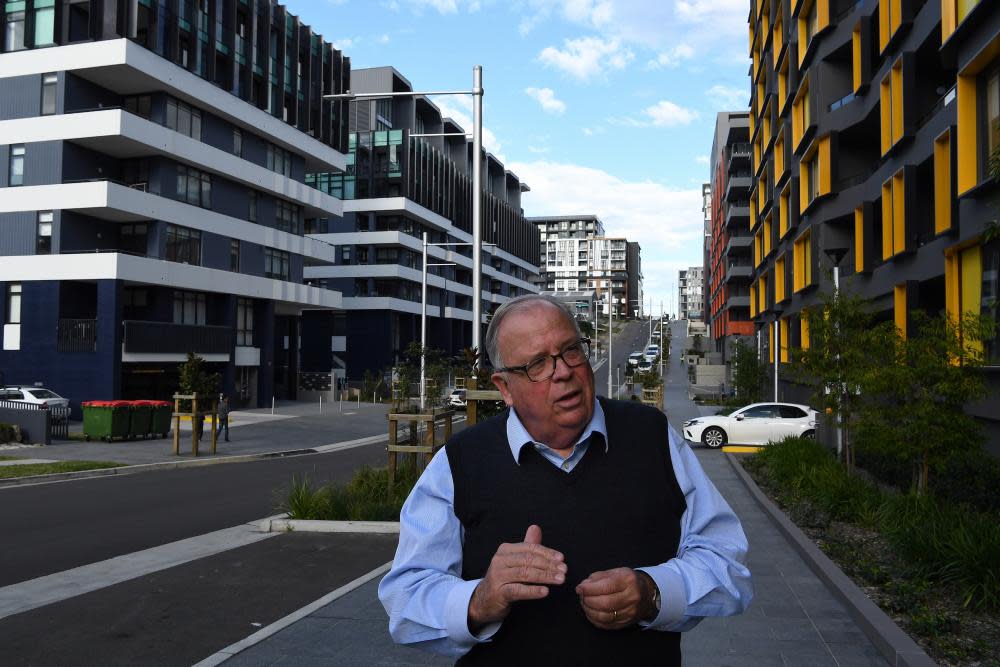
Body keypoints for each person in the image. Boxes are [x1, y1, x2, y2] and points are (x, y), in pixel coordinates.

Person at [378, 295, 752, 665]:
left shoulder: (652, 436)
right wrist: (480, 599)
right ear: (504, 388)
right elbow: (405, 598)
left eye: (571, 350)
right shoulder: (459, 461)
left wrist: (653, 591)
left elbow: (726, 559)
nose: (562, 371)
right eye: (538, 363)